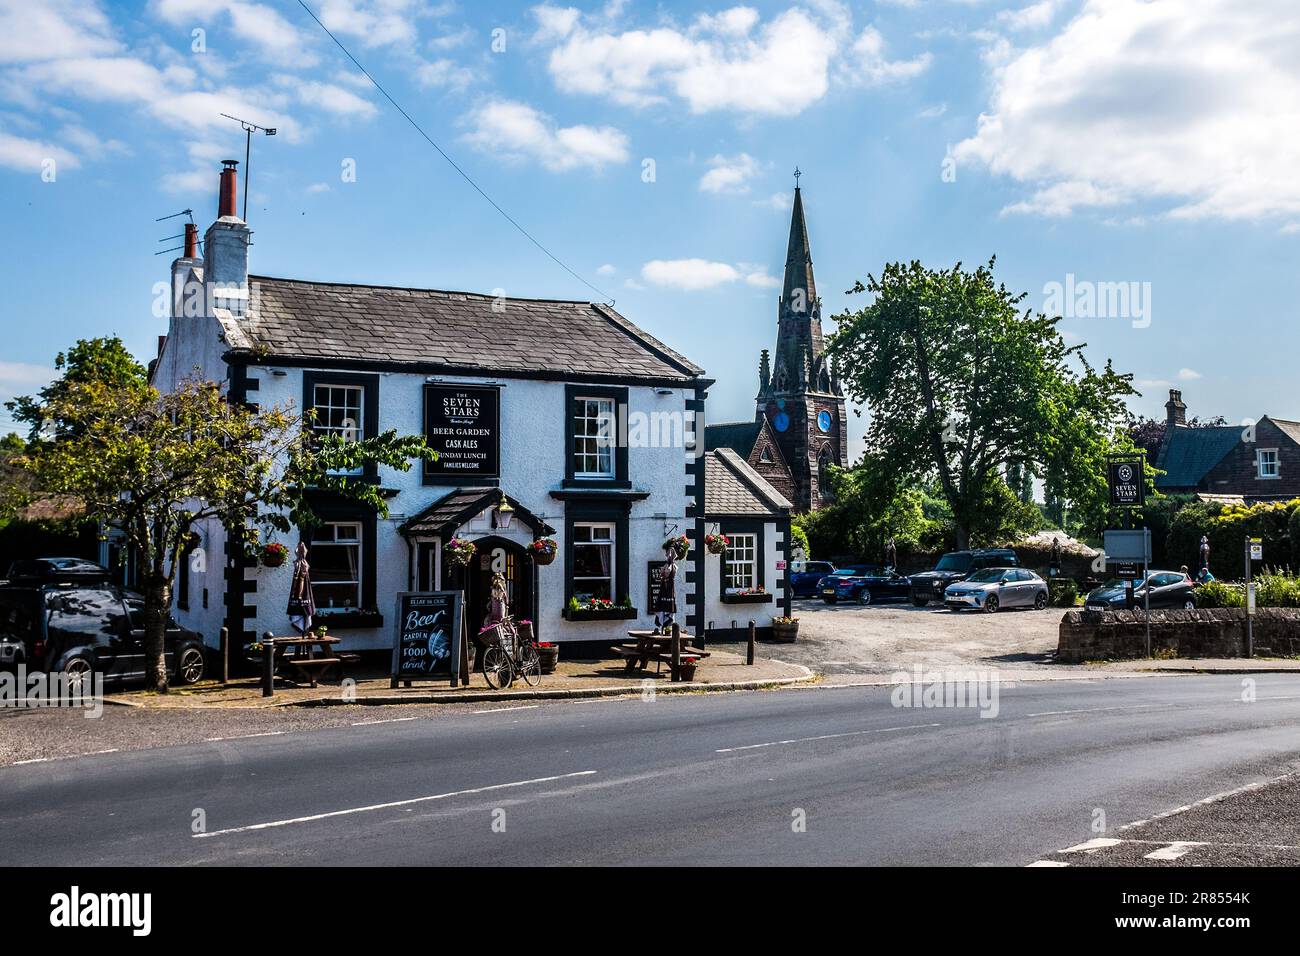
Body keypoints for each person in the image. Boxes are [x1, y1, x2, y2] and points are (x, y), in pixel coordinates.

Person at [653, 544, 679, 635]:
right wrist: (663, 576)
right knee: (662, 607)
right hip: (664, 588)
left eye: (671, 555)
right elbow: (662, 574)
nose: (670, 557)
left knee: (668, 608)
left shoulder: (674, 567)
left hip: (670, 589)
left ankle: (668, 628)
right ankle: (661, 627)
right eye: (669, 555)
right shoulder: (665, 566)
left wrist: (665, 575)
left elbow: (668, 573)